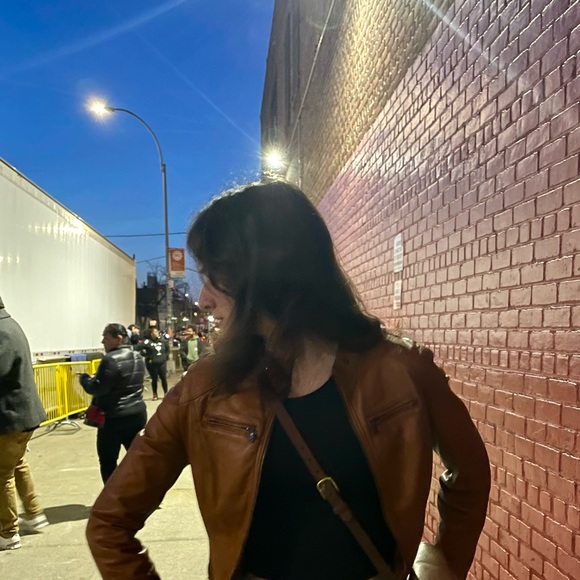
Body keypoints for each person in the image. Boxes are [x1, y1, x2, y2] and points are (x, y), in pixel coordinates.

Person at [86, 181, 491, 580]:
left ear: (262, 276)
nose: (204, 300)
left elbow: (470, 476)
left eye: (212, 277)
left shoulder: (402, 369)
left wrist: (446, 565)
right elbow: (109, 523)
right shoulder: (204, 389)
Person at [0, 296, 49, 551]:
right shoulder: (10, 325)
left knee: (2, 474)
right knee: (17, 463)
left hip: (10, 416)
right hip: (23, 415)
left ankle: (8, 533)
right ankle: (34, 512)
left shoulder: (2, 331)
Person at [79, 323, 147, 484]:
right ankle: (145, 492)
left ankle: (112, 495)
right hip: (137, 414)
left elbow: (98, 389)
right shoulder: (137, 356)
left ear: (118, 338)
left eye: (106, 337)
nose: (103, 341)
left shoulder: (110, 359)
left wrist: (85, 379)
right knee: (138, 458)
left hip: (114, 418)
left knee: (108, 461)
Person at [140, 327, 170, 400]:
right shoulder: (147, 342)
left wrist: (165, 357)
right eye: (155, 332)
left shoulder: (162, 341)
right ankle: (155, 394)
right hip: (152, 364)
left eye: (157, 331)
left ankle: (166, 393)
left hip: (162, 363)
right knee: (154, 379)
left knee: (163, 378)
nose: (157, 333)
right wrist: (147, 355)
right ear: (151, 334)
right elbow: (140, 349)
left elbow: (167, 350)